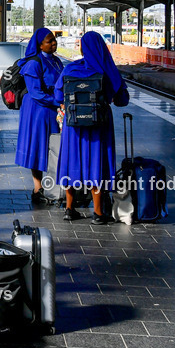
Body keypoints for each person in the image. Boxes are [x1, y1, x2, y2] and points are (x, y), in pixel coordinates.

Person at [53, 31, 130, 225]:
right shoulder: (108, 71)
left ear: (82, 48)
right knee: (97, 163)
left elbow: (57, 96)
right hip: (99, 125)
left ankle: (69, 209)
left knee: (71, 162)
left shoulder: (70, 69)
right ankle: (97, 213)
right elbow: (122, 100)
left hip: (73, 127)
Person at [13, 28, 65, 205]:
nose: (53, 43)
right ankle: (38, 189)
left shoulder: (57, 61)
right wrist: (58, 102)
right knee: (38, 146)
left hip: (51, 109)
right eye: (49, 41)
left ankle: (52, 187)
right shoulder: (33, 63)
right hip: (37, 110)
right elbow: (35, 93)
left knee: (52, 146)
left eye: (54, 40)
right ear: (39, 44)